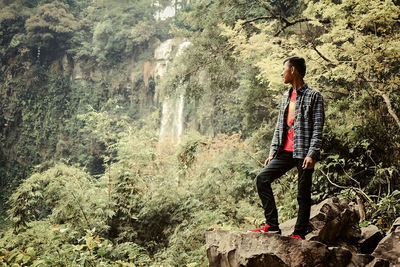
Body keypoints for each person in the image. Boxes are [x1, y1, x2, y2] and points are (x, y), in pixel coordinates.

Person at [248, 56, 325, 239]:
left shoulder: (315, 96)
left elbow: (318, 128)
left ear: (293, 71)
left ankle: (299, 233)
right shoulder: (286, 97)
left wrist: (312, 154)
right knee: (262, 179)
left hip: (304, 152)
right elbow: (279, 127)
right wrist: (273, 152)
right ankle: (272, 225)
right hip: (285, 150)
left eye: (284, 69)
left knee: (303, 194)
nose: (282, 73)